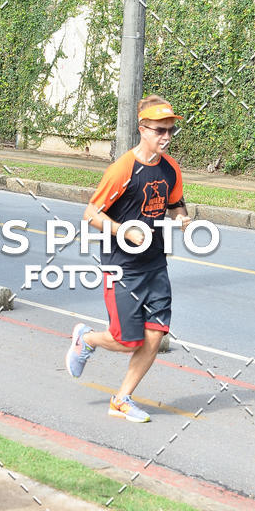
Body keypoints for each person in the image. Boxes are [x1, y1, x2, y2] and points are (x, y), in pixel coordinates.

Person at [65, 95, 191, 423]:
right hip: (122, 267)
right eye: (160, 130)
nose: (166, 136)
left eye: (171, 130)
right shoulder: (123, 168)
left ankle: (122, 399)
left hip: (155, 264)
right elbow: (91, 213)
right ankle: (86, 339)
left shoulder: (170, 167)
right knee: (126, 339)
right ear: (142, 129)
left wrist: (182, 218)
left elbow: (176, 203)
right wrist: (124, 232)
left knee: (155, 334)